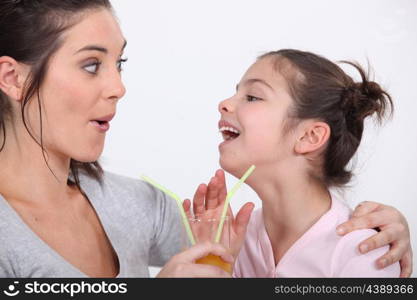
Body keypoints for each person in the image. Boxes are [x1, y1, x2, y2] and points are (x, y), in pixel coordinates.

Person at [0, 1, 411, 278]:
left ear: (310, 136)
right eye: (91, 65)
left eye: (119, 64)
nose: (118, 87)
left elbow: (225, 253)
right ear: (12, 78)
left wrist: (384, 230)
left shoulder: (143, 206)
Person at [185, 49, 412, 277]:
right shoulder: (234, 241)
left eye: (252, 97)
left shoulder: (364, 253)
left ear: (309, 136)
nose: (223, 104)